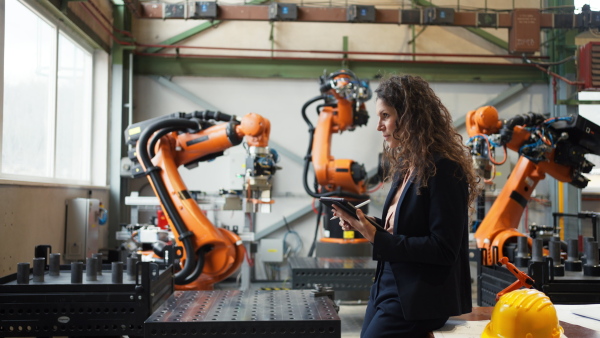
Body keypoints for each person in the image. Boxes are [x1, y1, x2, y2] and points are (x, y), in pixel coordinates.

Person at [332, 74, 478, 338]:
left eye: (385, 115)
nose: (379, 126)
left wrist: (376, 236)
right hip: (388, 282)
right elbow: (405, 227)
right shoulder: (407, 167)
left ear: (410, 117)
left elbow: (444, 249)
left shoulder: (444, 169)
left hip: (419, 294)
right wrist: (363, 224)